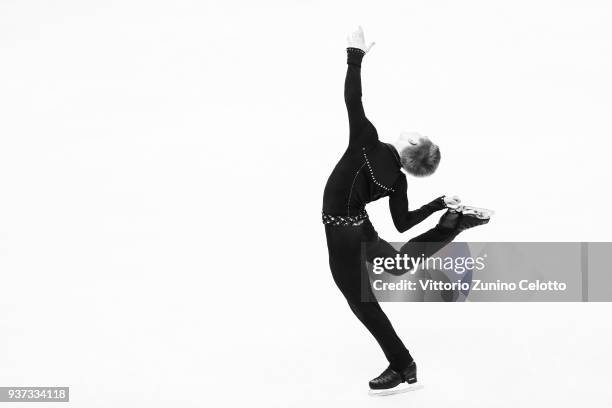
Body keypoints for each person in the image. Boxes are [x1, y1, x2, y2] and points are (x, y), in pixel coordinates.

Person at [322, 26, 492, 393]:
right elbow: (402, 225)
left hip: (344, 233)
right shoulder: (398, 181)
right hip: (360, 228)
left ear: (413, 141)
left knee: (361, 303)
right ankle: (454, 225)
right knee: (398, 264)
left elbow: (354, 98)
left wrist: (355, 55)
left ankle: (402, 364)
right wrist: (434, 207)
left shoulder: (367, 143)